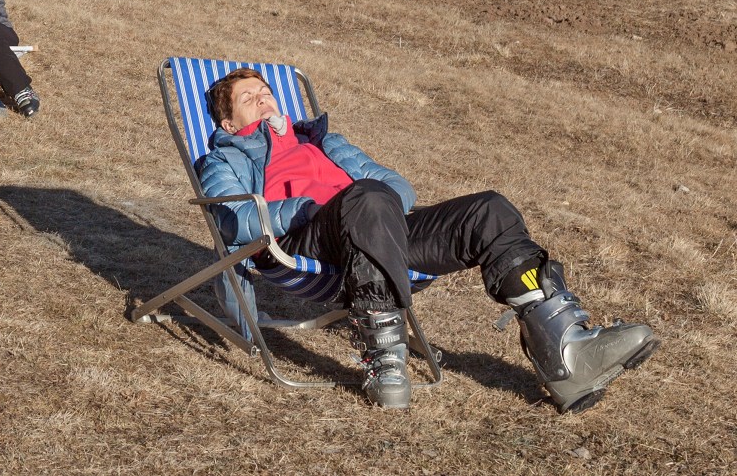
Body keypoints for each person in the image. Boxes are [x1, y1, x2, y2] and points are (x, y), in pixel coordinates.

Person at [196, 68, 658, 412]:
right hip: (303, 242)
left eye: (266, 92)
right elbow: (232, 221)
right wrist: (311, 209)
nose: (262, 99)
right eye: (248, 98)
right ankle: (384, 359)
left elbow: (399, 189)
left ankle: (566, 352)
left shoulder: (322, 141)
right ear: (229, 122)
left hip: (374, 224)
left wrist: (366, 206)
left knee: (488, 211)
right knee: (366, 197)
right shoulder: (225, 157)